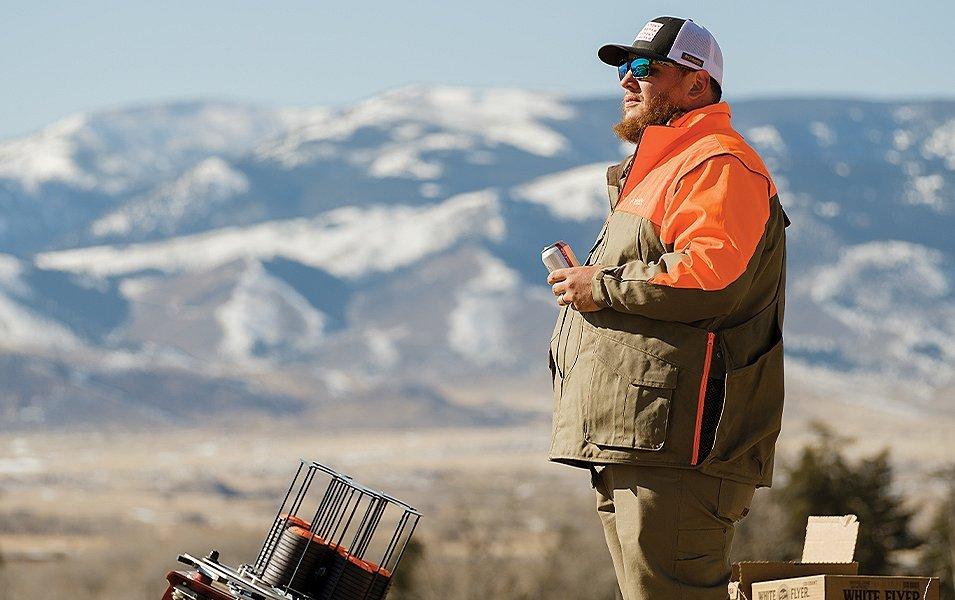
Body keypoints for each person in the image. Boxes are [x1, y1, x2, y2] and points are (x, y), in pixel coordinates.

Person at [546, 16, 789, 600]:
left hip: (683, 443)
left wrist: (602, 286)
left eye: (644, 68)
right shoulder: (664, 167)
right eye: (622, 69)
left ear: (697, 84)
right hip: (643, 439)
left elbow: (712, 275)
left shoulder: (717, 163)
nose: (627, 81)